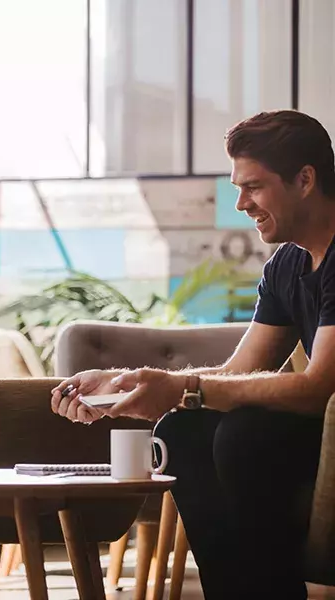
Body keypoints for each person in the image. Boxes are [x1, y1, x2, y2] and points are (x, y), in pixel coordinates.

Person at [50, 110, 335, 599]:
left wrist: (183, 388)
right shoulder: (288, 263)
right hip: (316, 431)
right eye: (237, 187)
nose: (241, 203)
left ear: (305, 179)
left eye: (254, 187)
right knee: (182, 429)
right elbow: (239, 373)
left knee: (243, 436)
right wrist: (127, 382)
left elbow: (317, 388)